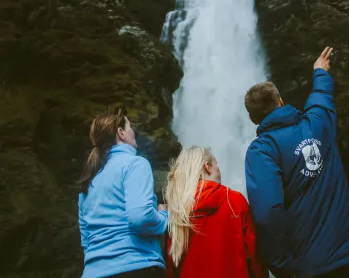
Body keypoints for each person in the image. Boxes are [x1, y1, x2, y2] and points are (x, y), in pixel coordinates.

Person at [244, 47, 349, 278]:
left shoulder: (261, 150)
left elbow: (269, 211)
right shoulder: (317, 124)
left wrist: (279, 264)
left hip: (305, 261)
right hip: (344, 250)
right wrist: (320, 71)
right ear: (281, 101)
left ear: (252, 119)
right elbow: (322, 97)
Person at [78, 111, 168, 278]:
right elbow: (141, 216)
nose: (133, 132)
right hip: (135, 267)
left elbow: (86, 241)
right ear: (121, 133)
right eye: (129, 127)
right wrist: (164, 216)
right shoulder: (135, 164)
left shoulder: (89, 180)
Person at [164, 146, 267, 278]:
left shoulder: (179, 209)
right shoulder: (234, 200)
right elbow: (253, 256)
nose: (219, 168)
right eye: (216, 163)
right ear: (207, 167)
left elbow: (172, 264)